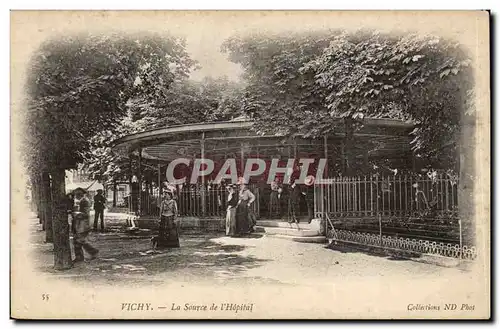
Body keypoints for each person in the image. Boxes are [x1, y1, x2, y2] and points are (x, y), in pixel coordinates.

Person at [72, 187, 99, 262]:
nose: (76, 195)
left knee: (80, 241)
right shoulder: (80, 201)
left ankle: (93, 252)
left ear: (82, 194)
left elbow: (85, 214)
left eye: (78, 194)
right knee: (78, 241)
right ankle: (80, 257)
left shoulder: (84, 201)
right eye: (76, 194)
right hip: (79, 225)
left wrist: (75, 213)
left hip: (83, 225)